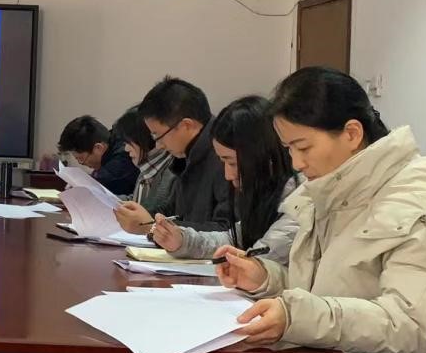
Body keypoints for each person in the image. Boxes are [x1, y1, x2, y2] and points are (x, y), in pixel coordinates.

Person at [217, 67, 426, 353]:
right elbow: (329, 293)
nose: (296, 163)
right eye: (289, 149)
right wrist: (265, 279)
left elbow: (412, 325)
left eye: (303, 147)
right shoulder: (333, 192)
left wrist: (296, 316)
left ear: (352, 133)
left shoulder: (422, 197)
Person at [150, 95, 301, 264]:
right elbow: (233, 239)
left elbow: (261, 261)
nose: (228, 175)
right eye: (224, 162)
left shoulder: (299, 201)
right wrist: (182, 240)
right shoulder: (265, 194)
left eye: (232, 163)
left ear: (263, 155)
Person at [115, 77, 229, 232]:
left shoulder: (224, 157)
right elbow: (173, 211)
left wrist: (151, 226)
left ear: (186, 125)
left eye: (157, 135)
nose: (159, 144)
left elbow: (227, 232)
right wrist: (137, 216)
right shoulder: (187, 155)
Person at [111, 106, 176, 215]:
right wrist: (106, 199)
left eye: (128, 142)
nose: (126, 149)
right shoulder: (148, 166)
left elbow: (156, 214)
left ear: (144, 138)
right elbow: (138, 201)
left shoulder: (172, 173)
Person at [56, 115, 138, 196]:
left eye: (81, 158)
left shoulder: (121, 160)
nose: (81, 163)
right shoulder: (113, 139)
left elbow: (100, 187)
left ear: (98, 148)